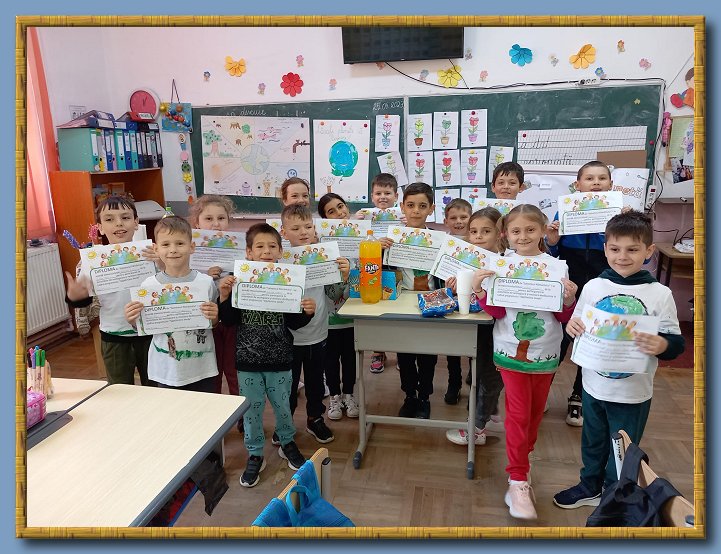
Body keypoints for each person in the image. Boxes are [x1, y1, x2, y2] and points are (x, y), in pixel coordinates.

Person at [553, 211, 684, 509]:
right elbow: (577, 322)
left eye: (632, 249)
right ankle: (589, 485)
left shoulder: (660, 294)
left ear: (649, 251)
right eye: (615, 249)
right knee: (592, 440)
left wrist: (662, 343)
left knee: (622, 448)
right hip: (593, 385)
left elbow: (676, 343)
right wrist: (572, 327)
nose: (622, 256)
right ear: (605, 249)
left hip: (632, 392)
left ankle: (615, 493)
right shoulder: (593, 286)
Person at [474, 204, 578, 520]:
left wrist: (569, 299)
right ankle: (517, 478)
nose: (523, 236)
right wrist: (480, 290)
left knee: (534, 414)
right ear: (506, 234)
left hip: (546, 353)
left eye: (530, 230)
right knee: (518, 414)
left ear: (543, 230)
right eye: (516, 231)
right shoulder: (501, 265)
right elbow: (497, 312)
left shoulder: (556, 267)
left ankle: (523, 461)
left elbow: (562, 316)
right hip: (510, 352)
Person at [217, 223, 315, 488]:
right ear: (248, 252)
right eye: (259, 246)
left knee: (283, 406)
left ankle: (287, 442)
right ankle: (255, 453)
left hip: (281, 360)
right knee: (252, 411)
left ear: (281, 251)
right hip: (248, 363)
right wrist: (224, 296)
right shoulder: (239, 282)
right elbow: (228, 320)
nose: (266, 251)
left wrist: (307, 312)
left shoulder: (287, 282)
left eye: (272, 246)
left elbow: (294, 323)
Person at [546, 160, 614, 427]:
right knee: (559, 340)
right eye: (589, 178)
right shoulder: (564, 211)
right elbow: (553, 253)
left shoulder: (618, 215)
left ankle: (578, 396)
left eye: (601, 178)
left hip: (601, 287)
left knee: (589, 341)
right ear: (578, 185)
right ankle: (543, 390)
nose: (596, 182)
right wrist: (552, 240)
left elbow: (636, 256)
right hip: (569, 287)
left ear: (610, 185)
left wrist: (624, 224)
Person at [64, 196, 155, 386]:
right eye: (109, 219)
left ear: (136, 222)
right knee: (119, 389)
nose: (119, 223)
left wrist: (161, 262)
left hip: (150, 333)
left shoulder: (151, 254)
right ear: (100, 227)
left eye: (125, 217)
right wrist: (76, 296)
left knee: (155, 387)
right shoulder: (93, 260)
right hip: (114, 336)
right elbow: (84, 300)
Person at [124, 216, 219, 392]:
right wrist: (132, 319)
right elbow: (142, 326)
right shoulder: (148, 286)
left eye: (180, 243)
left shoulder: (206, 282)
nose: (173, 250)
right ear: (156, 249)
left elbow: (212, 323)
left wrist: (214, 317)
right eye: (166, 244)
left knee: (203, 408)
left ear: (192, 247)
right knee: (171, 408)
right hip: (165, 369)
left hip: (202, 368)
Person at [281, 204, 350, 443]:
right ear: (283, 232)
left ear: (315, 229)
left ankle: (315, 418)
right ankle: (285, 424)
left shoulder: (325, 257)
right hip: (287, 337)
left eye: (308, 226)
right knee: (287, 386)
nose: (303, 232)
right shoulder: (278, 261)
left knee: (315, 383)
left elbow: (334, 294)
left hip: (318, 332)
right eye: (295, 228)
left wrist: (343, 276)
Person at [445, 207, 505, 445]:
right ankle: (487, 413)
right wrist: (453, 287)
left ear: (499, 233)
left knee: (489, 377)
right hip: (477, 325)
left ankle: (477, 428)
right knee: (479, 374)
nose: (478, 236)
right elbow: (464, 297)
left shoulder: (506, 262)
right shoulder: (466, 260)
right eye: (473, 231)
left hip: (499, 328)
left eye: (486, 231)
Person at [382, 182, 439, 419]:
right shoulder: (392, 239)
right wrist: (379, 250)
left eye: (422, 206)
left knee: (428, 355)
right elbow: (379, 272)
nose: (416, 211)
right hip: (402, 301)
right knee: (404, 354)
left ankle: (424, 397)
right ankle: (409, 395)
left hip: (432, 302)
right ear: (402, 207)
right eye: (411, 205)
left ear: (431, 209)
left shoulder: (439, 240)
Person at [189, 195, 240, 401]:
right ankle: (215, 410)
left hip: (232, 317)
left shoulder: (239, 247)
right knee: (213, 370)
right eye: (208, 219)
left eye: (221, 218)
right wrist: (206, 277)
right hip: (207, 320)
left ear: (228, 221)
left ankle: (241, 414)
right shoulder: (191, 251)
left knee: (234, 369)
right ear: (197, 223)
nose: (216, 224)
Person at [317, 193, 359, 421]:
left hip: (354, 316)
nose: (339, 213)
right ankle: (334, 396)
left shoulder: (362, 240)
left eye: (341, 206)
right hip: (329, 319)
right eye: (331, 212)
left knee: (350, 358)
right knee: (330, 360)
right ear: (324, 220)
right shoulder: (322, 249)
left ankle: (349, 394)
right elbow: (328, 291)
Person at [355, 172, 401, 374]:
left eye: (388, 193)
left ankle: (401, 351)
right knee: (376, 308)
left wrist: (406, 223)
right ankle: (378, 351)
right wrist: (356, 222)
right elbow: (355, 244)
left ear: (396, 196)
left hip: (395, 266)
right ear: (372, 196)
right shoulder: (365, 216)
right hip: (372, 268)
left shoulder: (402, 215)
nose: (383, 197)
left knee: (397, 307)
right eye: (378, 193)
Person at [441, 198, 473, 404]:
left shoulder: (479, 241)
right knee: (452, 344)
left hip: (475, 301)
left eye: (464, 217)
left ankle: (474, 377)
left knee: (473, 343)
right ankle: (454, 382)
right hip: (451, 298)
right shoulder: (443, 243)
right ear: (446, 221)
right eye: (453, 218)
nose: (459, 221)